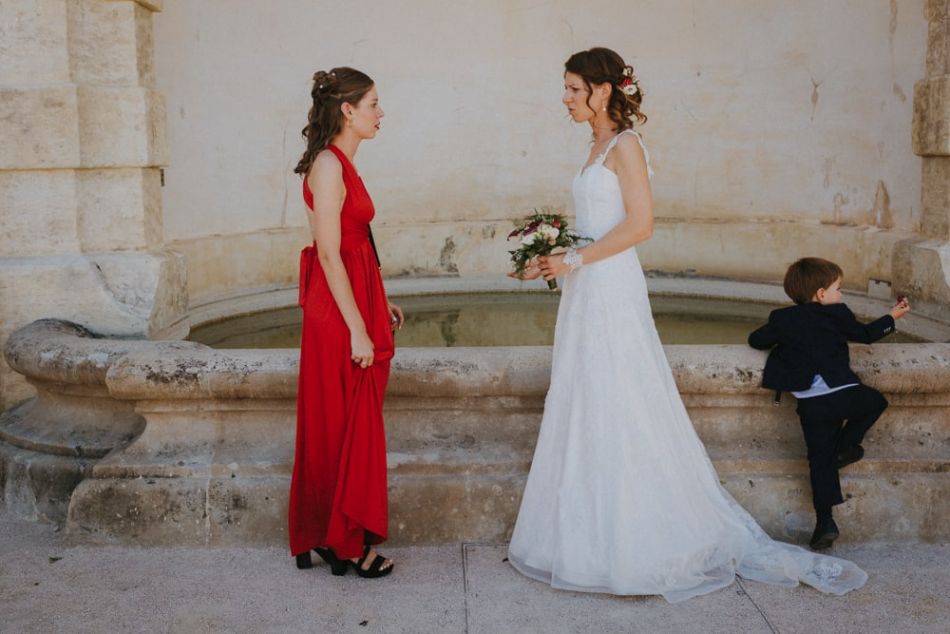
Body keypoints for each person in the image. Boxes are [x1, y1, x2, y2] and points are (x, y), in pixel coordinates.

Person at [507, 47, 868, 602]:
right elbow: (595, 227)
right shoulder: (593, 145)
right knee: (585, 396)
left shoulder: (626, 145)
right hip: (587, 287)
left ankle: (637, 542)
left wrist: (575, 260)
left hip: (611, 286)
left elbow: (642, 225)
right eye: (568, 89)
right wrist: (553, 257)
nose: (566, 98)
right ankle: (578, 539)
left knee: (621, 396)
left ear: (603, 91)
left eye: (574, 89)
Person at [288, 67, 403, 578]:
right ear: (348, 111)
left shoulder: (342, 163)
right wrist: (358, 327)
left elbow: (358, 243)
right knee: (342, 422)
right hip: (339, 307)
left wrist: (380, 300)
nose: (381, 114)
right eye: (374, 104)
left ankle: (334, 535)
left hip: (356, 295)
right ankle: (342, 542)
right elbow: (331, 255)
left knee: (352, 419)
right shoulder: (330, 167)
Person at [748, 257, 910, 549]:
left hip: (811, 404)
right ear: (821, 294)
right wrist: (893, 317)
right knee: (875, 402)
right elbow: (866, 335)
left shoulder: (783, 319)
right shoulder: (837, 313)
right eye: (838, 288)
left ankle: (825, 523)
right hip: (843, 392)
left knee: (818, 460)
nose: (841, 295)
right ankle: (846, 448)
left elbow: (756, 340)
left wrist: (785, 340)